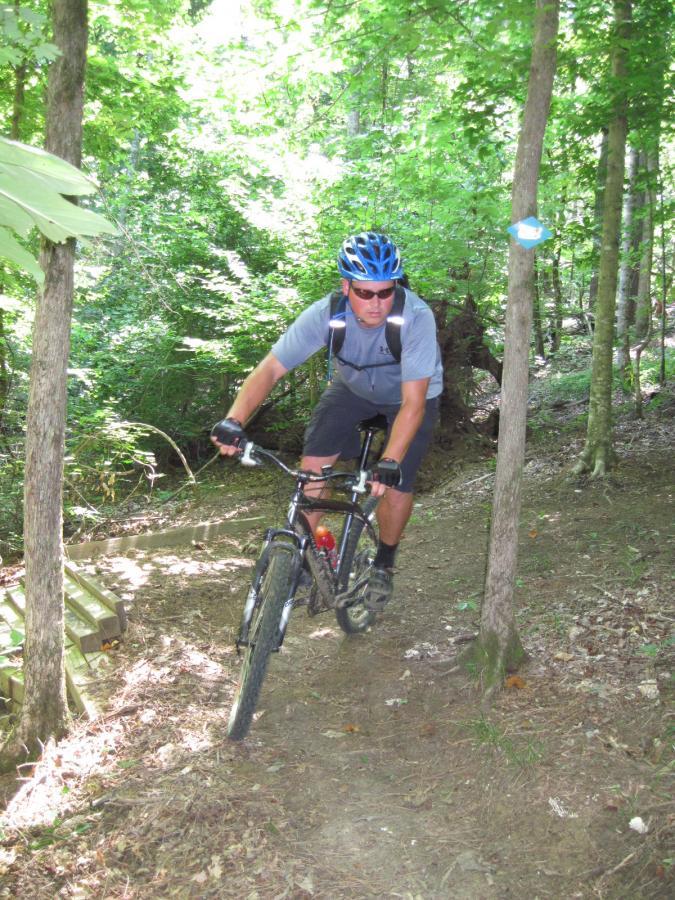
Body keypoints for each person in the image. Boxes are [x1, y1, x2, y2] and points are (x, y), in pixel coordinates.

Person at [211, 232, 443, 610]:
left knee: (396, 484)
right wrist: (234, 420)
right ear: (346, 286)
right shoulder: (327, 314)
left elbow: (414, 403)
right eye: (365, 293)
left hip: (408, 396)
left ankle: (384, 561)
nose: (376, 303)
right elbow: (270, 369)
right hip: (351, 390)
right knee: (313, 470)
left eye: (385, 292)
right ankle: (303, 557)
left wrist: (390, 461)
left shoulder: (415, 318)